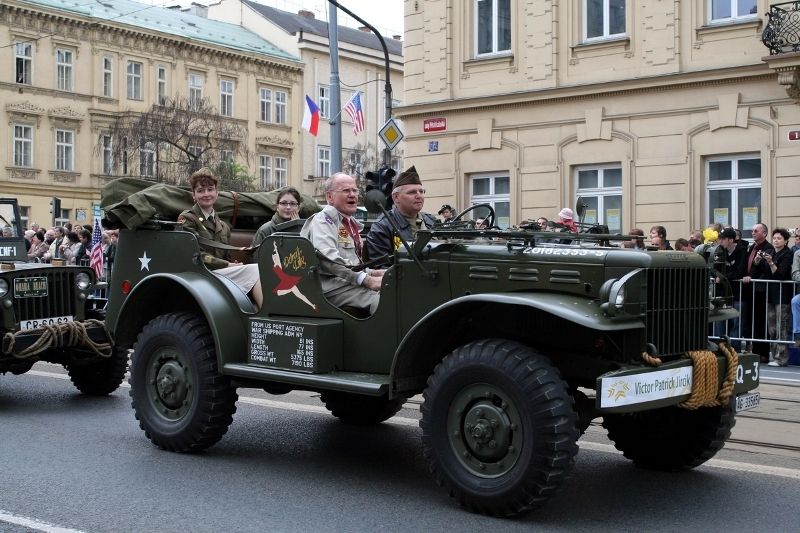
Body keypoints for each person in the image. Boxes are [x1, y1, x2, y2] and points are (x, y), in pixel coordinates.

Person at [177, 167, 263, 310]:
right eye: (200, 190)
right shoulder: (187, 218)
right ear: (194, 195)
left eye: (210, 189)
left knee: (260, 271)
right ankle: (264, 317)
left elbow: (226, 256)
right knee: (256, 270)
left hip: (219, 273)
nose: (206, 194)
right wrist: (226, 265)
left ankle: (260, 312)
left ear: (217, 193)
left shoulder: (223, 226)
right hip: (200, 274)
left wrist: (231, 263)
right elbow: (194, 255)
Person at [301, 172, 384, 315]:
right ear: (330, 197)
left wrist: (375, 273)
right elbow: (328, 260)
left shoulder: (348, 224)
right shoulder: (323, 221)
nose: (352, 195)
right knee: (383, 301)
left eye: (355, 190)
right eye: (346, 190)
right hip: (328, 286)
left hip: (344, 283)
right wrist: (369, 280)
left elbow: (352, 265)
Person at [366, 166, 437, 264]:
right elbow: (383, 268)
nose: (419, 196)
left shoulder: (431, 220)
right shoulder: (382, 227)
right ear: (396, 197)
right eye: (412, 192)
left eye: (421, 191)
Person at [741, 223, 775, 363]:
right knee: (751, 320)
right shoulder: (752, 247)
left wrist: (753, 277)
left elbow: (765, 268)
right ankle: (754, 350)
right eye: (752, 230)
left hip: (761, 289)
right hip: (750, 289)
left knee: (761, 322)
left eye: (756, 231)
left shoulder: (768, 248)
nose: (753, 233)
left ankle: (763, 353)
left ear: (765, 233)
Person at [714, 227, 746, 349]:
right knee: (719, 319)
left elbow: (739, 271)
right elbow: (715, 268)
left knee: (737, 321)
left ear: (731, 240)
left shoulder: (742, 251)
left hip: (738, 292)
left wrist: (723, 277)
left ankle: (734, 347)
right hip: (723, 292)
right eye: (719, 239)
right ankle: (720, 346)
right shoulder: (720, 251)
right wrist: (719, 276)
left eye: (723, 239)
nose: (720, 241)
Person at [765, 228, 793, 366]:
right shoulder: (770, 252)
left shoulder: (787, 254)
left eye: (779, 238)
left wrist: (770, 263)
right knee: (772, 328)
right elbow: (760, 272)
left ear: (786, 241)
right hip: (770, 294)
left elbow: (780, 274)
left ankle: (781, 358)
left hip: (782, 295)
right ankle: (774, 354)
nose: (776, 240)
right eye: (774, 238)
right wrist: (759, 261)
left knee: (782, 327)